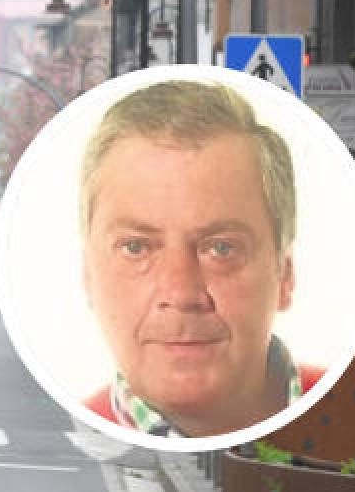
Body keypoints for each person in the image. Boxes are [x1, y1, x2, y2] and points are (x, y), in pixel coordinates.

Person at [79, 80, 324, 438]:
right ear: (88, 275)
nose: (181, 293)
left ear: (284, 275)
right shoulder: (71, 432)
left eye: (221, 249)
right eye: (136, 247)